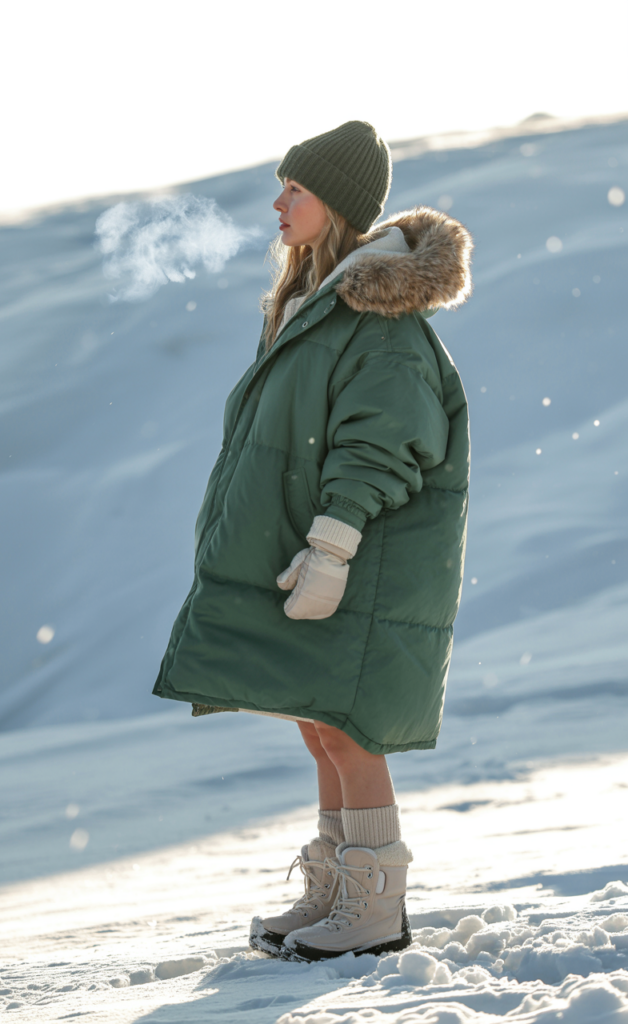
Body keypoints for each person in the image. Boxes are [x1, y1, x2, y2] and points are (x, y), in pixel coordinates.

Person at [153, 121, 473, 961]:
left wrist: (331, 547)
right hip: (319, 551)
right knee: (318, 720)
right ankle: (337, 885)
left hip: (367, 556)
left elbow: (385, 441)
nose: (277, 203)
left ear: (334, 202)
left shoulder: (380, 315)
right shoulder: (311, 304)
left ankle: (374, 905)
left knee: (350, 727)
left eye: (294, 189)